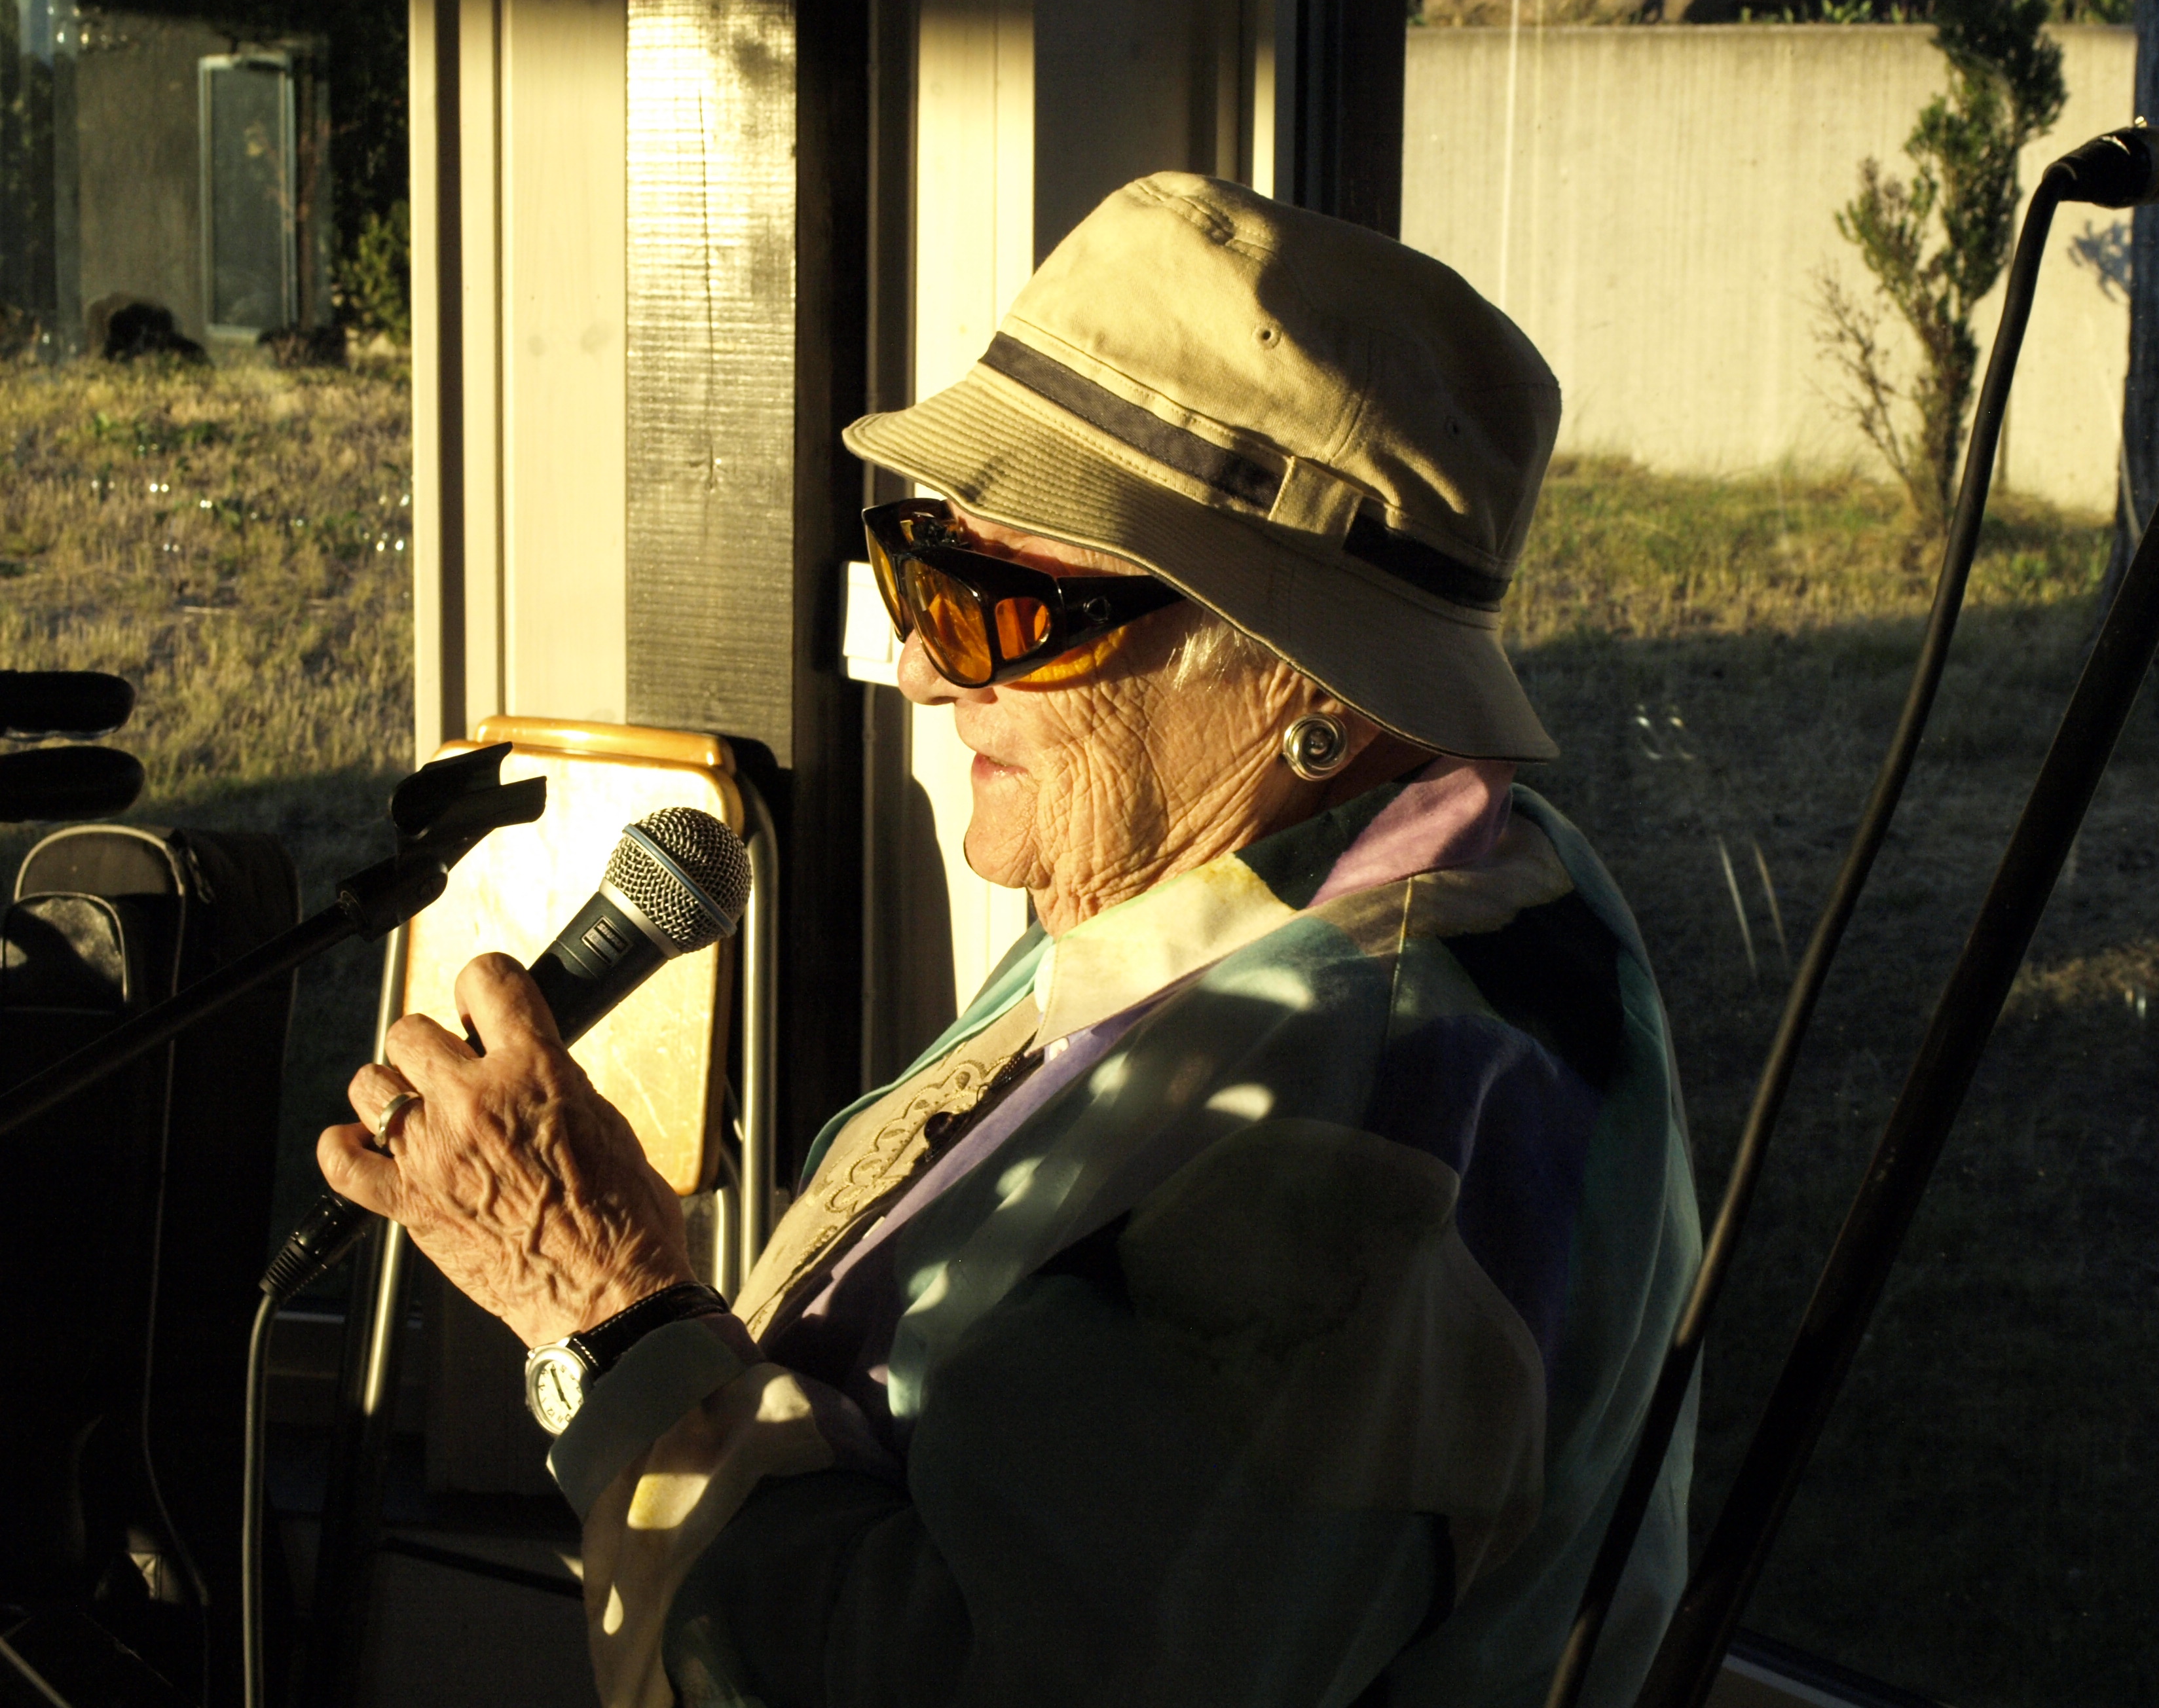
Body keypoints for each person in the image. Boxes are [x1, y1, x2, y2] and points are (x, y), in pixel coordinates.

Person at [323, 173, 1701, 1707]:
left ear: (1304, 675)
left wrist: (600, 1300)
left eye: (998, 600)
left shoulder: (1355, 1149)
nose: (924, 670)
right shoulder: (1240, 896)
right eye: (924, 562)